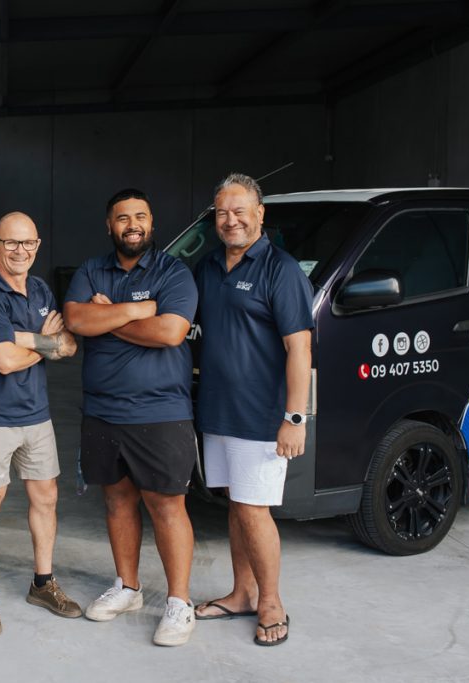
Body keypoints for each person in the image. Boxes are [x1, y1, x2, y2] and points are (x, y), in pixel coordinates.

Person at [63, 188, 199, 647]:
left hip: (160, 411)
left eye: (140, 216)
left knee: (166, 505)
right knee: (117, 500)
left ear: (152, 223)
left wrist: (108, 317)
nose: (132, 225)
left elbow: (170, 331)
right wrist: (138, 311)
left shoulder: (173, 272)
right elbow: (76, 320)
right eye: (123, 218)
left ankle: (179, 602)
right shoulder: (90, 270)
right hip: (103, 411)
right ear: (110, 225)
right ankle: (128, 587)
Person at [192, 173, 313, 647]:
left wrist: (295, 417)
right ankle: (242, 593)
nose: (231, 220)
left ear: (260, 214)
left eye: (240, 211)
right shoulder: (207, 266)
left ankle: (271, 602)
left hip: (260, 416)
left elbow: (299, 348)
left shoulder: (281, 270)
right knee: (237, 505)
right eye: (222, 213)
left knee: (253, 508)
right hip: (217, 411)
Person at [0, 211, 82, 636]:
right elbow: (2, 360)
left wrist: (21, 337)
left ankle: (43, 583)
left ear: (37, 246)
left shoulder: (41, 289)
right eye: (11, 242)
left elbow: (69, 344)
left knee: (46, 498)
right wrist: (45, 343)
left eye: (28, 243)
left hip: (37, 414)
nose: (20, 250)